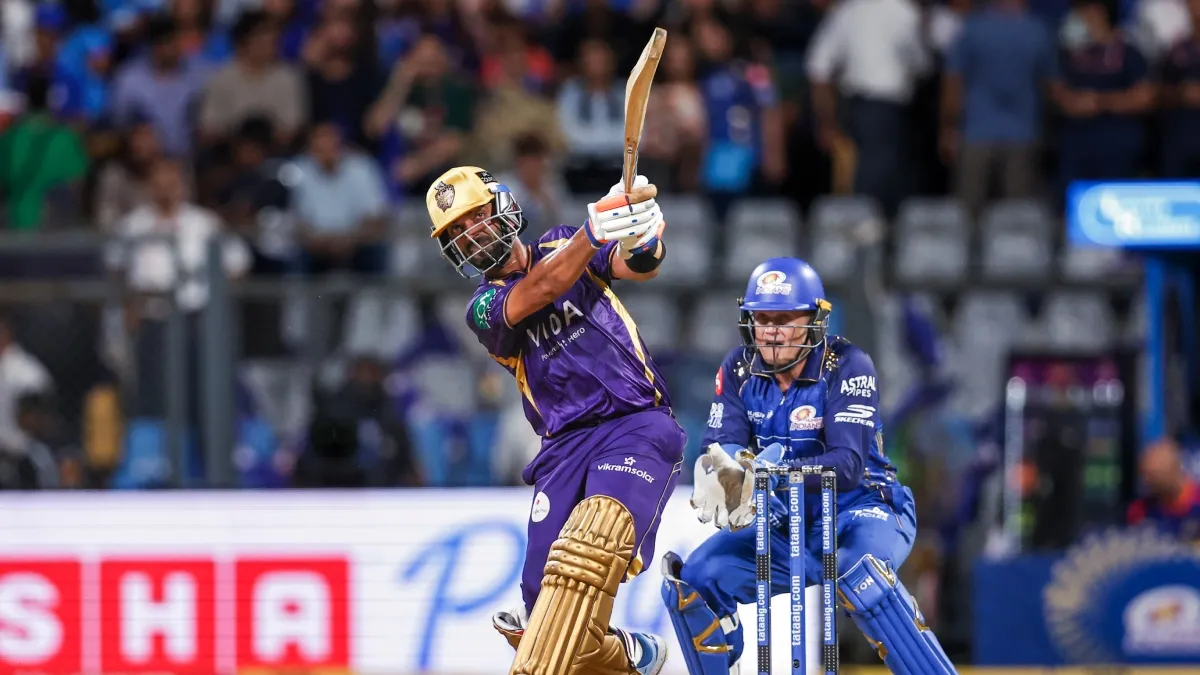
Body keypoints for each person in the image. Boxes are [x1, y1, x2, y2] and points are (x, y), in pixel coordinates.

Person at [423, 166, 684, 675]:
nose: (471, 234)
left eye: (475, 216)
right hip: (562, 449)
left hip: (634, 423)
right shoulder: (482, 307)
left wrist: (640, 235)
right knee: (544, 613)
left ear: (503, 205)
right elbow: (542, 288)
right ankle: (630, 655)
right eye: (457, 232)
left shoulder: (563, 241)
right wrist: (595, 229)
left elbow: (639, 266)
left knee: (597, 537)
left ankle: (623, 651)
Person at [659, 257, 958, 675]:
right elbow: (721, 446)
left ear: (814, 320)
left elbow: (848, 465)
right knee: (694, 582)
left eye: (785, 319)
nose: (772, 331)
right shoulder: (739, 368)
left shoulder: (848, 364)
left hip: (862, 510)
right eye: (762, 318)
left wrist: (771, 475)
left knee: (863, 578)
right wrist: (725, 472)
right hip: (785, 524)